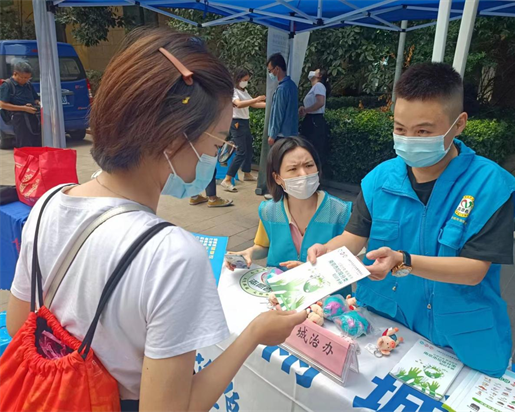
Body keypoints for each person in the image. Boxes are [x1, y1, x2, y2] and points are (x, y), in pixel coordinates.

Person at [6, 28, 306, 411]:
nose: (216, 156)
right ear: (172, 138)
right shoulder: (171, 254)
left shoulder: (50, 202)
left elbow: (20, 327)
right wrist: (253, 334)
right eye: (217, 142)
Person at [308, 62, 515, 377]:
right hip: (386, 330)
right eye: (400, 128)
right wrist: (329, 250)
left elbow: (474, 271)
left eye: (423, 131)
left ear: (459, 124)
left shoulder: (489, 187)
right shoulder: (379, 180)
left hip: (461, 342)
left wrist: (403, 260)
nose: (409, 140)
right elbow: (354, 238)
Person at [227, 136, 351, 273]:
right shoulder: (269, 210)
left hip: (328, 293)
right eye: (293, 169)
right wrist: (249, 252)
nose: (303, 174)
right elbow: (264, 246)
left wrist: (312, 271)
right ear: (277, 178)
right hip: (278, 291)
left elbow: (350, 262)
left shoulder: (340, 212)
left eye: (309, 165)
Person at [221, 68, 266, 193]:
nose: (246, 82)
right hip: (237, 123)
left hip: (244, 122)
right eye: (245, 80)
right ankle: (227, 179)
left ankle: (247, 173)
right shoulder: (233, 91)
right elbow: (239, 104)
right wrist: (257, 99)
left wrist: (270, 104)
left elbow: (253, 105)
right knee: (241, 151)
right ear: (238, 79)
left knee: (248, 148)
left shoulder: (244, 91)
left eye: (247, 80)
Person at [0, 61, 41, 148]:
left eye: (28, 78)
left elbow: (35, 98)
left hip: (32, 117)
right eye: (23, 77)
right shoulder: (7, 85)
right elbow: (2, 104)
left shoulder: (28, 85)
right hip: (19, 119)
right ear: (15, 74)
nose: (25, 80)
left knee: (36, 144)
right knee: (24, 144)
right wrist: (23, 108)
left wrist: (37, 103)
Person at [266, 53, 298, 146]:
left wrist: (272, 135)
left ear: (277, 69)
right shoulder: (292, 86)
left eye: (270, 70)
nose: (270, 74)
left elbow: (278, 114)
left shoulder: (281, 89)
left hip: (281, 135)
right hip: (292, 133)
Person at [299, 68, 329, 165]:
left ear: (319, 75)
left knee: (313, 148)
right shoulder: (315, 87)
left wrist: (306, 110)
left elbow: (320, 102)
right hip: (311, 118)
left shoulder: (319, 86)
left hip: (315, 120)